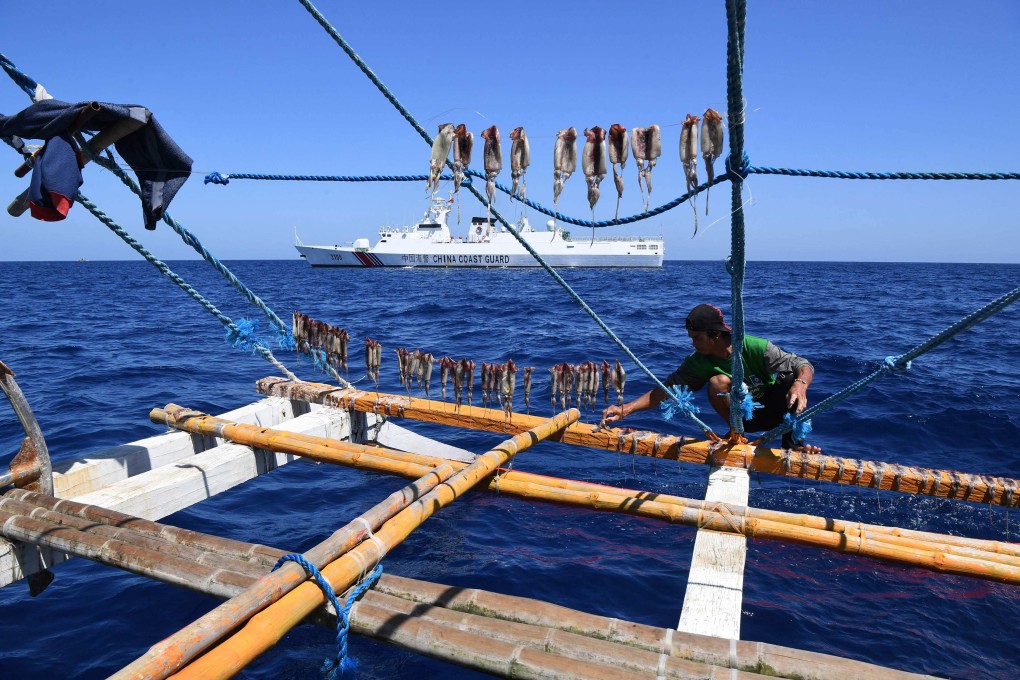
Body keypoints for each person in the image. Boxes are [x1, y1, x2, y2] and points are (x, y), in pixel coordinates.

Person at [602, 304, 819, 451]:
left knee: (792, 376)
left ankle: (795, 446)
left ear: (715, 335)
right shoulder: (698, 361)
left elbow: (804, 365)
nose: (693, 343)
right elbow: (666, 390)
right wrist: (625, 410)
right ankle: (736, 434)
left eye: (697, 338)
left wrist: (800, 385)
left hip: (777, 412)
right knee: (717, 382)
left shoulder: (755, 347)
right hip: (746, 421)